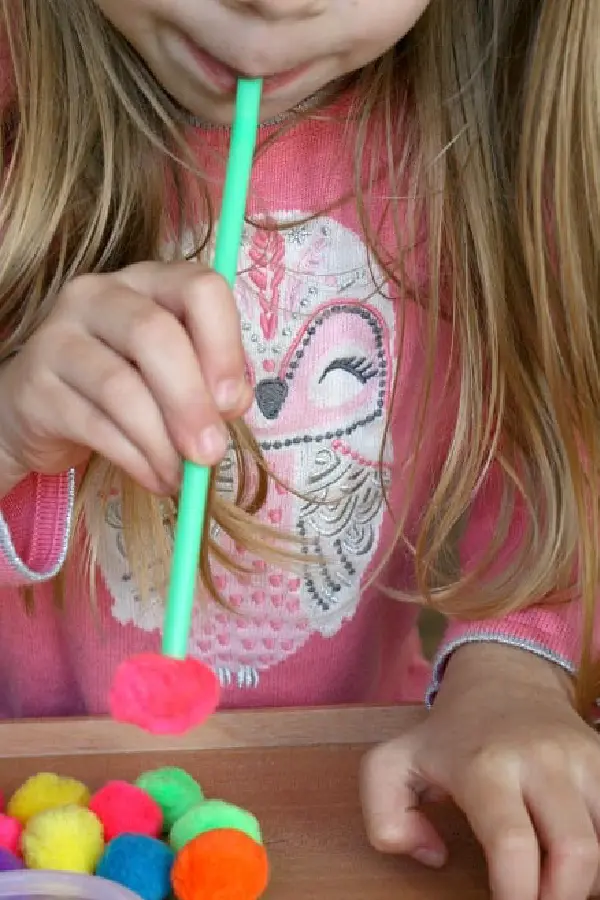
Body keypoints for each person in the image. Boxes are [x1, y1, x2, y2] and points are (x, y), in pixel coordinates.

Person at [1, 0, 599, 897]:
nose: (275, 1)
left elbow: (541, 461)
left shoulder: (489, 153)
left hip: (359, 789)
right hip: (41, 805)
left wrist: (509, 671)